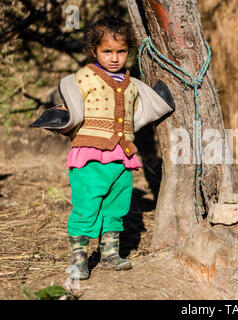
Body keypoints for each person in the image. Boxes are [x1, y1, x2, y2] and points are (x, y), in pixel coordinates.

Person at [31, 16, 175, 280]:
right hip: (90, 157)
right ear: (94, 51)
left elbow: (145, 108)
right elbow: (71, 104)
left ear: (128, 52)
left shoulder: (131, 83)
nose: (114, 57)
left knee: (116, 206)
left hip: (122, 157)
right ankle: (79, 259)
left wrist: (161, 101)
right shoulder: (83, 77)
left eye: (121, 51)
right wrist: (62, 118)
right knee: (86, 207)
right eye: (107, 51)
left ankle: (109, 254)